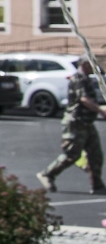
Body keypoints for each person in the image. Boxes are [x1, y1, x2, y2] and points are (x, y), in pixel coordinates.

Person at [39, 59, 105, 194]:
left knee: (96, 154)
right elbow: (84, 99)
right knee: (72, 155)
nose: (95, 67)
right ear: (84, 64)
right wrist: (101, 110)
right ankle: (48, 174)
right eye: (92, 64)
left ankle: (97, 184)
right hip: (76, 122)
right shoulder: (78, 79)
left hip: (87, 122)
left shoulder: (86, 79)